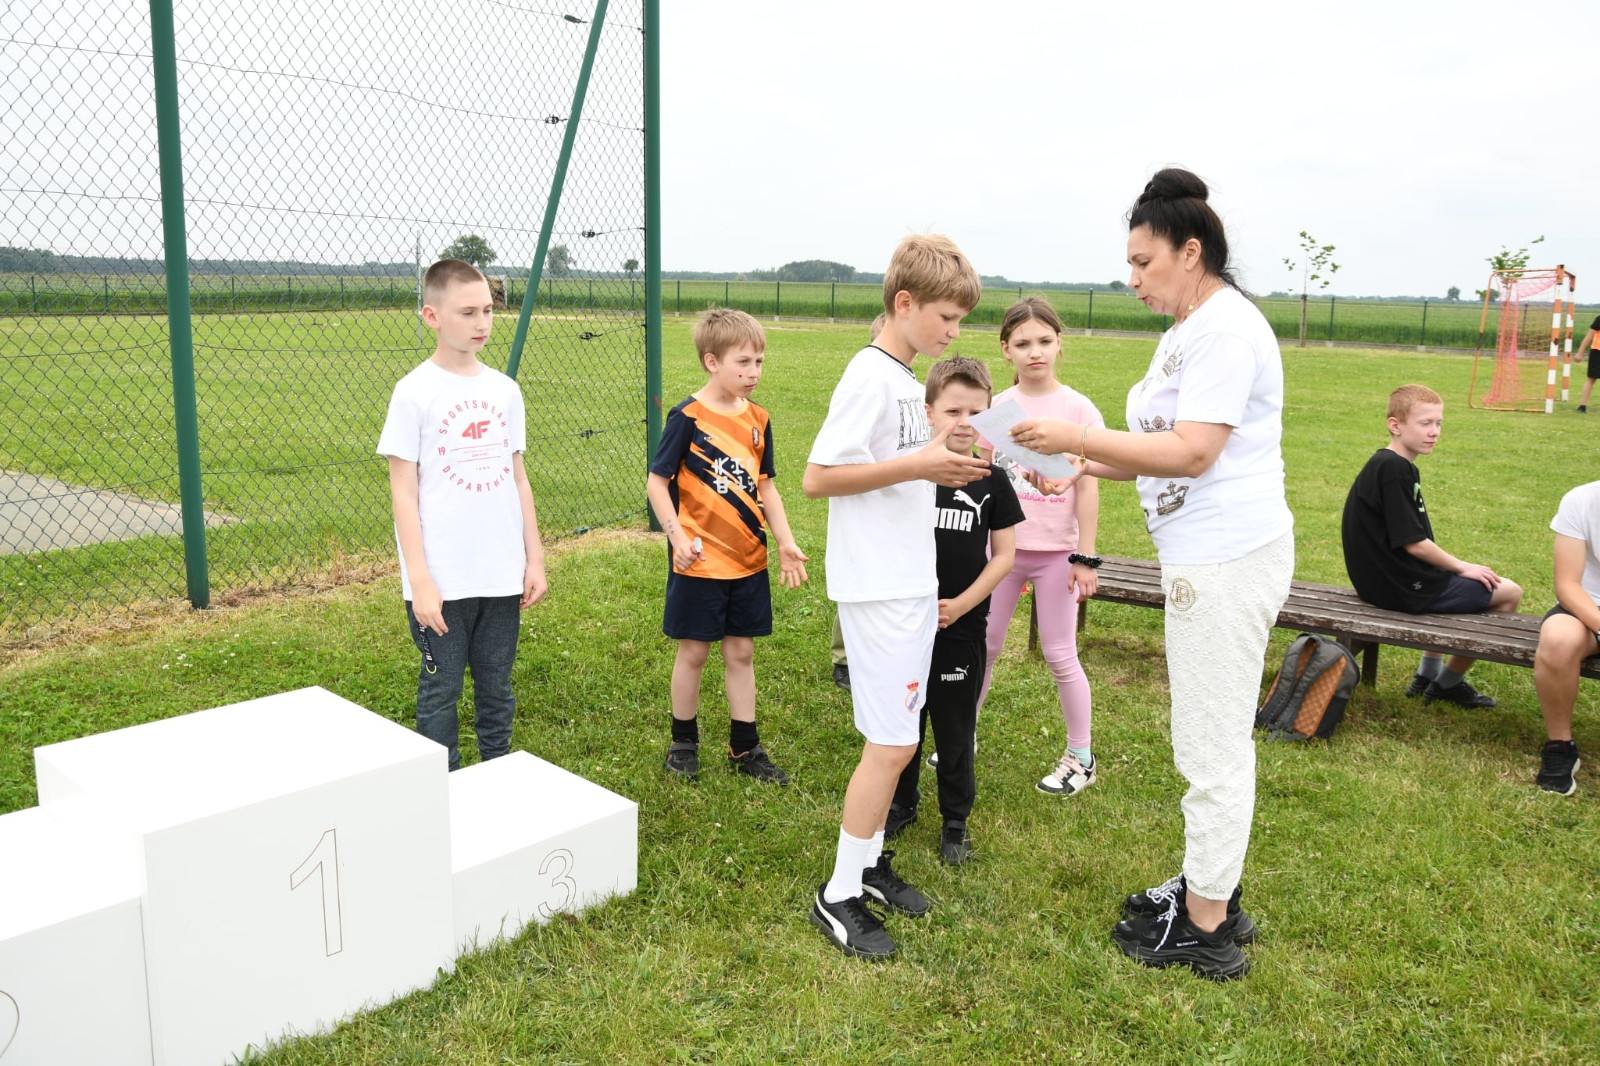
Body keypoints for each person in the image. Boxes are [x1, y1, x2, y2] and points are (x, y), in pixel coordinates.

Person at [1007, 168, 1293, 980]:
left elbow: (1194, 452)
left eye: (1143, 262)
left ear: (1189, 252)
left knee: (1211, 744)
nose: (1132, 278)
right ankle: (1210, 885)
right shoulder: (1187, 330)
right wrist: (1085, 465)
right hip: (1203, 553)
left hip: (1225, 556)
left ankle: (1207, 923)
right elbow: (1160, 450)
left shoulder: (1225, 332)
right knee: (1207, 732)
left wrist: (1076, 441)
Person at [803, 233, 989, 960]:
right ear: (904, 303)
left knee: (900, 733)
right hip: (878, 588)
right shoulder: (869, 378)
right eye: (947, 317)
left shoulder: (905, 380)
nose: (954, 332)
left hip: (910, 582)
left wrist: (942, 465)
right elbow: (819, 477)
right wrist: (920, 465)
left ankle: (871, 861)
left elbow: (903, 467)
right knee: (890, 744)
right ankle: (838, 893)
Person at [376, 258, 548, 771]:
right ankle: (442, 786)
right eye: (468, 312)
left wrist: (534, 559)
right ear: (431, 316)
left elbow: (518, 478)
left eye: (488, 311)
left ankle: (499, 773)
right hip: (442, 580)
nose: (482, 323)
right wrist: (420, 581)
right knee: (442, 689)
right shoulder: (413, 392)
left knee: (497, 685)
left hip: (500, 574)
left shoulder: (504, 391)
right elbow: (403, 493)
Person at [646, 309, 808, 784]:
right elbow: (657, 483)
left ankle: (745, 746)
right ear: (711, 361)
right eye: (743, 362)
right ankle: (683, 740)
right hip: (699, 563)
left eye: (759, 361)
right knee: (694, 652)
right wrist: (677, 537)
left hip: (748, 562)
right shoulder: (688, 417)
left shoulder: (759, 418)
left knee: (741, 652)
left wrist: (785, 542)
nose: (754, 372)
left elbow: (766, 486)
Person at [886, 356, 1021, 865]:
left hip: (961, 628)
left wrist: (962, 605)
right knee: (904, 719)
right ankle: (901, 802)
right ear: (929, 412)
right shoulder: (910, 474)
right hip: (907, 622)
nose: (965, 422)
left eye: (976, 412)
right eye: (953, 410)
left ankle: (955, 821)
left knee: (955, 725)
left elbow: (1004, 556)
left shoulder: (992, 480)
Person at [975, 298, 1103, 798]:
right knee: (984, 645)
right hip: (1002, 553)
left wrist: (1084, 556)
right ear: (1005, 349)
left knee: (1060, 653)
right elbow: (982, 477)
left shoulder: (1078, 410)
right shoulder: (996, 410)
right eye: (1023, 343)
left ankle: (1081, 757)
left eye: (1045, 341)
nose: (1035, 352)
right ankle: (964, 734)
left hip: (1057, 557)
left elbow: (1087, 485)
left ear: (1059, 344)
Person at [1340, 384, 1523, 707]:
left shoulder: (1389, 463)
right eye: (1425, 423)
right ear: (1395, 425)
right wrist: (1463, 566)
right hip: (1397, 588)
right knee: (1508, 592)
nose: (1434, 432)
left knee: (1444, 573)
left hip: (1382, 582)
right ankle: (1447, 683)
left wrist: (1453, 568)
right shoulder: (1394, 469)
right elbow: (1414, 543)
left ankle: (1426, 676)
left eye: (1438, 423)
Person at [829, 310, 893, 694]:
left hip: (892, 508)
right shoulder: (865, 383)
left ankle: (877, 653)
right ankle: (844, 659)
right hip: (863, 504)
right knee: (856, 585)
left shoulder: (905, 385)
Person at [1530, 481, 1599, 794]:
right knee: (1558, 638)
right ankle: (1560, 746)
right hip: (1589, 607)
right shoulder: (1582, 499)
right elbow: (1568, 585)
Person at [1574, 316, 1599, 413]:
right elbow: (1589, 335)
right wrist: (1580, 353)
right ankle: (1582, 405)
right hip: (1597, 352)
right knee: (1591, 378)